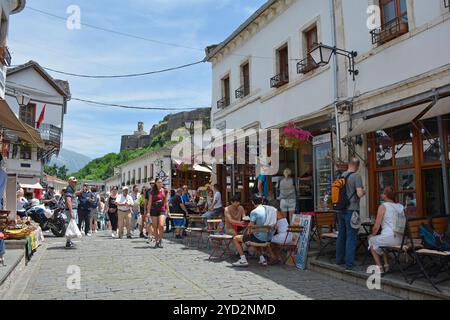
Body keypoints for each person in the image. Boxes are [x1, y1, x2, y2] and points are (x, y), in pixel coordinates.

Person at [336, 158, 366, 271]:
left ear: (349, 165)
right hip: (352, 210)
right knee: (351, 236)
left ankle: (339, 260)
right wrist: (363, 192)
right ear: (357, 166)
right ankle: (349, 263)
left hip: (341, 210)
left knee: (341, 235)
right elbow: (359, 193)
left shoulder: (341, 176)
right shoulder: (356, 176)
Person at [232, 195, 275, 267]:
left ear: (252, 202)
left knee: (236, 238)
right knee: (254, 236)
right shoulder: (267, 210)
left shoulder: (254, 212)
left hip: (258, 238)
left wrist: (246, 231)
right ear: (261, 201)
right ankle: (262, 259)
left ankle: (243, 260)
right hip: (267, 238)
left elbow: (250, 226)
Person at [368, 187, 403, 274]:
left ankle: (380, 267)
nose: (381, 195)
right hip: (401, 239)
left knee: (371, 241)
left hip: (390, 238)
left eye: (382, 193)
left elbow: (376, 226)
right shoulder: (400, 206)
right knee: (381, 242)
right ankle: (386, 265)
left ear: (386, 195)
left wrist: (372, 234)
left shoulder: (383, 206)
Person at [147, 178, 169, 248]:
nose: (160, 183)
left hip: (161, 209)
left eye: (161, 182)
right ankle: (156, 241)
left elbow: (166, 202)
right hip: (153, 209)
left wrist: (168, 211)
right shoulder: (152, 191)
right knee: (155, 227)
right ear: (156, 183)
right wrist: (148, 212)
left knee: (161, 225)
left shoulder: (165, 191)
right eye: (158, 182)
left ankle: (160, 240)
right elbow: (149, 202)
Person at [64, 177, 79, 248]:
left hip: (72, 209)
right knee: (70, 226)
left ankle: (69, 241)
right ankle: (68, 242)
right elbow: (68, 200)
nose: (75, 183)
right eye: (73, 182)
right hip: (71, 209)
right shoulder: (69, 189)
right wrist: (71, 211)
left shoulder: (71, 189)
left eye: (75, 182)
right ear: (69, 182)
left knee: (71, 225)